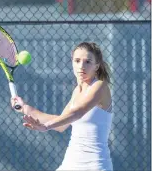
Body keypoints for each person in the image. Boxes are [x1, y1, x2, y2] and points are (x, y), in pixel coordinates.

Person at [11, 42, 113, 171]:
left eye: (88, 62)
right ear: (72, 63)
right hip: (70, 164)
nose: (81, 66)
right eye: (77, 61)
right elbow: (61, 124)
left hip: (95, 165)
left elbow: (77, 113)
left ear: (96, 66)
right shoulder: (77, 91)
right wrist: (24, 107)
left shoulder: (100, 87)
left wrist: (46, 126)